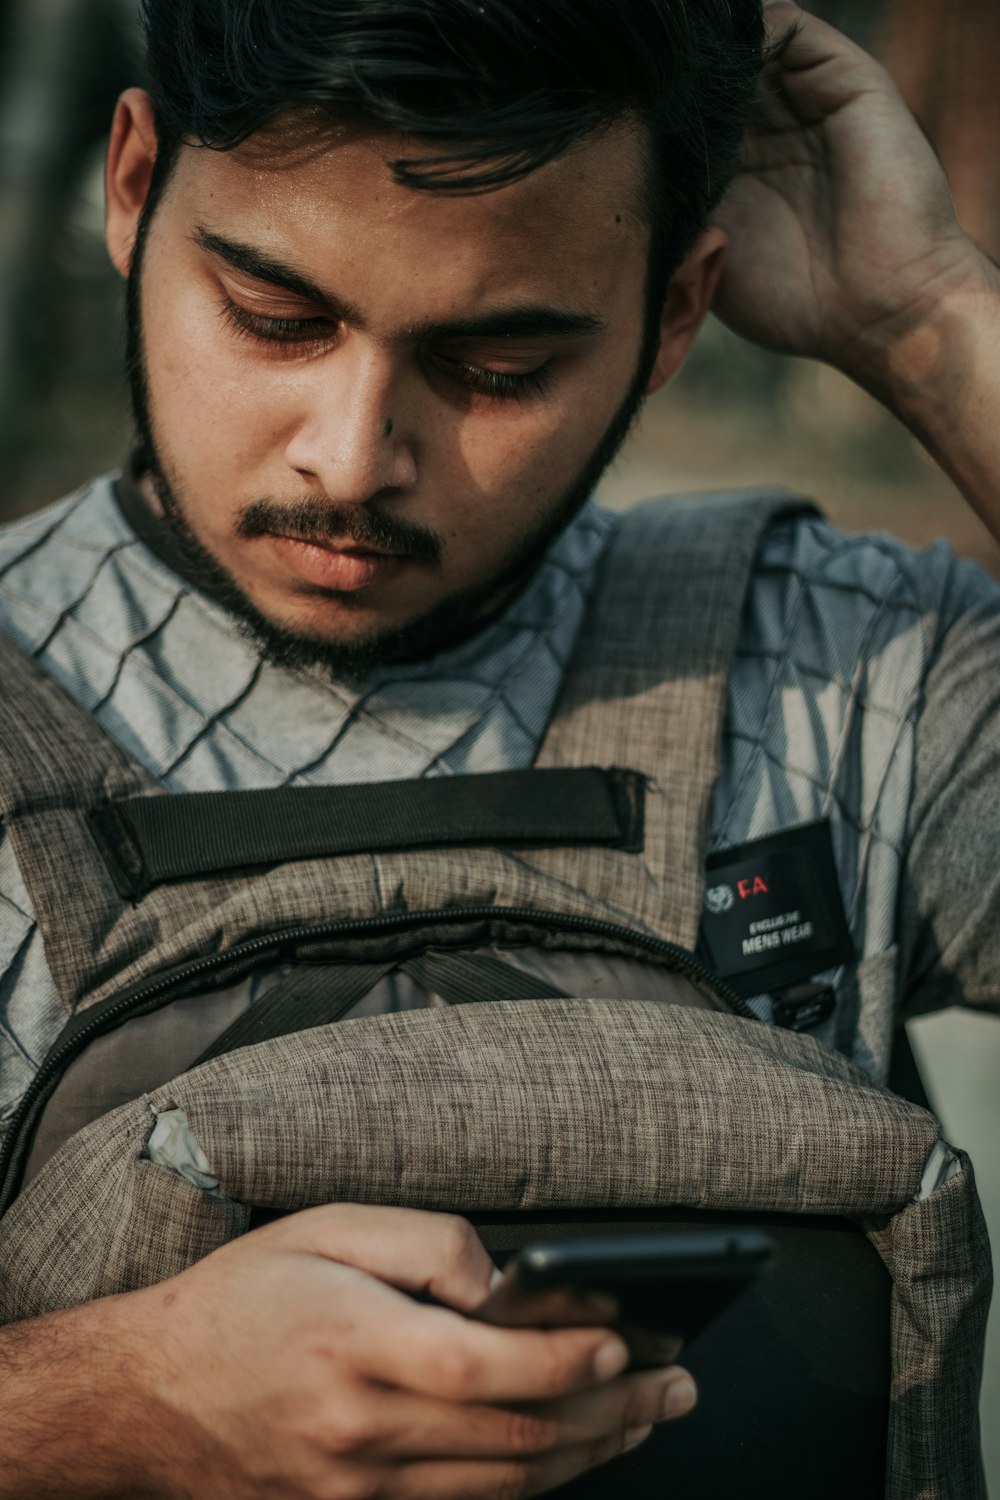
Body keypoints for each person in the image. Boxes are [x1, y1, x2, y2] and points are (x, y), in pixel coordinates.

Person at [0, 0, 997, 1495]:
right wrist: (109, 1398)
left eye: (499, 364)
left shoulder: (850, 672)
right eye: (275, 318)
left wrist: (932, 326)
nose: (351, 454)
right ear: (133, 187)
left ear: (675, 313)